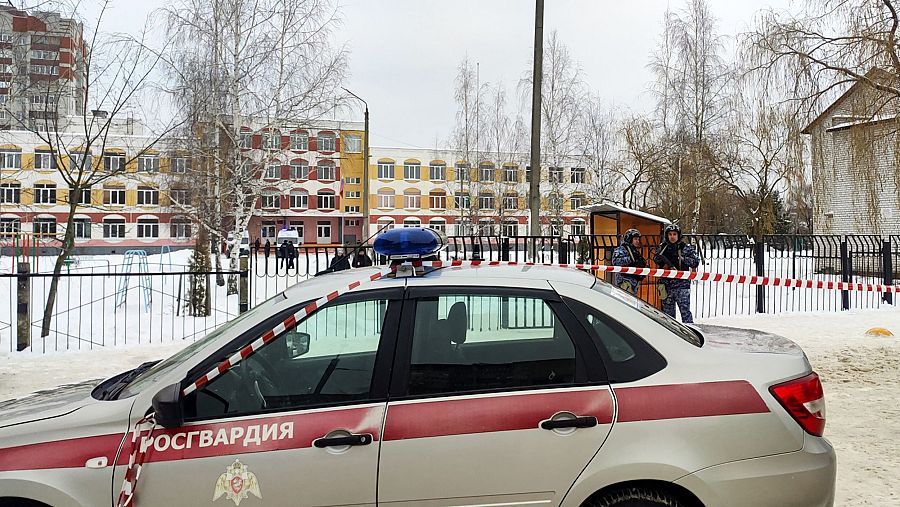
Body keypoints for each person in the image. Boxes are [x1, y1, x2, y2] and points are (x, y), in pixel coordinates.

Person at [653, 223, 700, 323]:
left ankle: (690, 333)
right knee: (668, 315)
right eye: (670, 234)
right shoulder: (663, 247)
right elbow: (656, 259)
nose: (672, 237)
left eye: (674, 234)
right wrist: (664, 262)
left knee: (685, 312)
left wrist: (681, 258)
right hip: (667, 285)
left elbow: (695, 262)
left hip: (682, 285)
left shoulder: (685, 247)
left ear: (678, 235)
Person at [611, 228, 647, 295]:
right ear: (630, 239)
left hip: (634, 283)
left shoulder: (634, 250)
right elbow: (615, 262)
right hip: (625, 282)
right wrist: (630, 259)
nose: (637, 241)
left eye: (638, 239)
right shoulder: (621, 249)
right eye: (635, 239)